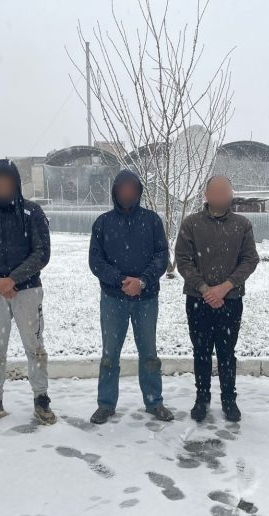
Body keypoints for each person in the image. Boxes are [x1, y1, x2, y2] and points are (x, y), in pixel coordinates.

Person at [0, 159, 55, 427]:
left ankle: (41, 399)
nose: (2, 186)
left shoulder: (32, 212)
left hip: (27, 291)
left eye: (7, 181)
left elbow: (42, 252)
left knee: (35, 347)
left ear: (16, 183)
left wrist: (13, 279)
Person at [88, 169, 173, 424]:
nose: (127, 193)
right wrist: (120, 280)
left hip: (146, 299)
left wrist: (142, 281)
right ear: (115, 192)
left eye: (132, 189)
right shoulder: (103, 223)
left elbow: (161, 256)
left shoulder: (152, 221)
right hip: (113, 299)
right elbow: (96, 261)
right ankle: (106, 404)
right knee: (109, 355)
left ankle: (154, 401)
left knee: (149, 353)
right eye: (122, 188)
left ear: (138, 192)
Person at [175, 175, 259, 422]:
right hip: (197, 299)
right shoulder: (191, 224)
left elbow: (249, 259)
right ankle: (202, 398)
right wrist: (204, 288)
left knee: (226, 352)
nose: (221, 195)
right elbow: (183, 260)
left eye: (226, 191)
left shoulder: (242, 225)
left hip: (230, 300)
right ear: (206, 195)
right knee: (201, 351)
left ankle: (229, 398)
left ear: (231, 194)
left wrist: (225, 287)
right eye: (216, 191)